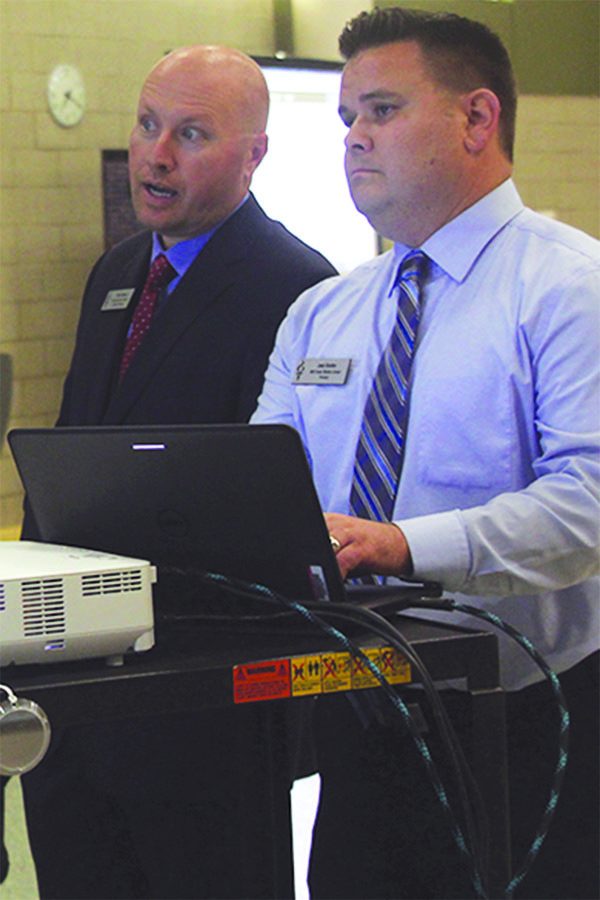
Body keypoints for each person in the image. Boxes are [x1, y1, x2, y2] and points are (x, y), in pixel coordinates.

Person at [251, 7, 599, 899]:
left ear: (477, 119)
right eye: (346, 120)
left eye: (381, 110)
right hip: (357, 706)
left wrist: (407, 545)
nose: (354, 139)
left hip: (528, 716)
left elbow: (589, 501)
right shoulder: (323, 312)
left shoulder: (569, 290)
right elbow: (258, 489)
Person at [8, 45, 336, 900]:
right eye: (149, 125)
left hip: (204, 690)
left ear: (255, 154)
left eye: (191, 134)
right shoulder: (117, 275)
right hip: (78, 683)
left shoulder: (298, 290)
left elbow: (280, 510)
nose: (156, 154)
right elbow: (77, 450)